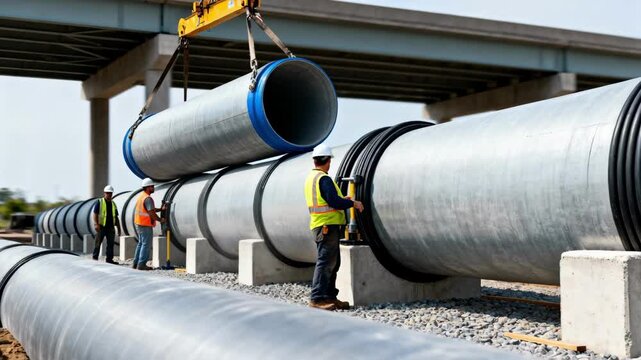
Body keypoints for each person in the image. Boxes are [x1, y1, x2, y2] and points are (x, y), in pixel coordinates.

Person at [305, 144, 364, 311]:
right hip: (327, 226)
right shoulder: (323, 179)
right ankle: (317, 298)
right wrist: (352, 202)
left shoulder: (311, 178)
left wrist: (341, 199)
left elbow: (329, 200)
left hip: (322, 225)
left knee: (333, 263)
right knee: (325, 263)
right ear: (327, 161)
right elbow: (334, 202)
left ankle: (330, 297)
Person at [132, 178, 165, 270]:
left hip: (139, 223)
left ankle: (136, 263)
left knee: (141, 243)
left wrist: (160, 209)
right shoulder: (148, 198)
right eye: (152, 186)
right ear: (147, 187)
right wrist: (160, 220)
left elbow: (149, 209)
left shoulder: (141, 196)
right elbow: (151, 213)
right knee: (146, 244)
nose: (153, 187)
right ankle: (141, 264)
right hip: (145, 224)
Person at [92, 185, 121, 264]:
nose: (109, 195)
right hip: (101, 227)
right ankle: (95, 258)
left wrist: (119, 228)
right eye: (107, 193)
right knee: (98, 243)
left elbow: (116, 217)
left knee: (110, 244)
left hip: (110, 227)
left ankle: (109, 259)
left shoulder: (113, 204)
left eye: (110, 193)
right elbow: (95, 213)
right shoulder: (100, 202)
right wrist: (96, 224)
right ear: (104, 193)